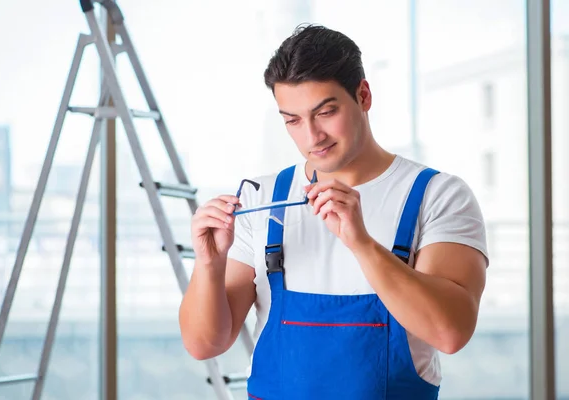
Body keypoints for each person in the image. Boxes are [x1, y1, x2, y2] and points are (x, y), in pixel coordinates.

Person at [179, 24, 488, 399]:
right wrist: (209, 263)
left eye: (325, 112)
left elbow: (450, 333)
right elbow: (204, 345)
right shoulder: (263, 199)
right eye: (292, 120)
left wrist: (361, 244)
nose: (312, 137)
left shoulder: (436, 196)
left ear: (364, 95)